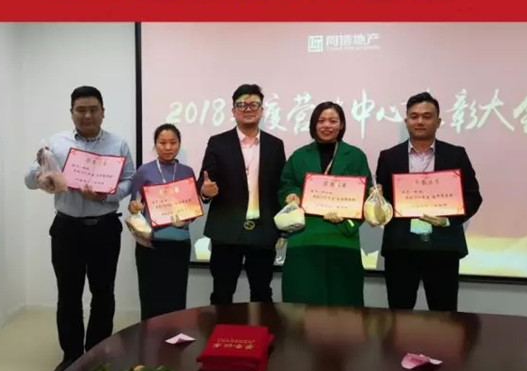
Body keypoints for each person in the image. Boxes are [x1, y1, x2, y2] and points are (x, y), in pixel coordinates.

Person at [24, 86, 135, 371]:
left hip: (105, 228)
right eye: (81, 110)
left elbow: (129, 180)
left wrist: (107, 195)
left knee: (103, 293)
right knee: (68, 294)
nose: (87, 115)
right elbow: (29, 181)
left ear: (103, 112)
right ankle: (72, 356)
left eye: (93, 109)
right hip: (67, 229)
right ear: (72, 113)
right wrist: (39, 168)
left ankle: (97, 356)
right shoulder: (55, 143)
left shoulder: (119, 144)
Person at [374, 91, 483, 312]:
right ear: (406, 121)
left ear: (438, 121)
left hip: (443, 247)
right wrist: (377, 201)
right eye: (414, 116)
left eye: (427, 116)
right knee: (399, 315)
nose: (420, 121)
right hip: (401, 247)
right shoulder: (389, 156)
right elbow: (383, 200)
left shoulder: (456, 155)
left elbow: (473, 196)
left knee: (444, 317)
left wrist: (448, 220)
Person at [198, 83, 286, 305]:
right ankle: (221, 330)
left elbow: (280, 186)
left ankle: (263, 330)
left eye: (253, 104)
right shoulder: (218, 142)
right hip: (226, 230)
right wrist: (205, 191)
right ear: (233, 110)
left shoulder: (275, 145)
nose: (248, 109)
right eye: (241, 105)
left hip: (263, 229)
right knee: (222, 293)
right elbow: (205, 179)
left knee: (262, 293)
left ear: (262, 110)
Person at [279, 101, 372, 307]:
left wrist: (348, 222)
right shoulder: (299, 155)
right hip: (304, 237)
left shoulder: (356, 156)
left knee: (344, 306)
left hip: (342, 238)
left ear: (341, 125)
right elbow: (286, 185)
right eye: (321, 121)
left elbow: (366, 195)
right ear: (313, 124)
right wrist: (292, 195)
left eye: (333, 121)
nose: (327, 125)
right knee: (301, 307)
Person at [127, 123, 197, 321]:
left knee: (176, 297)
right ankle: (149, 336)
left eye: (173, 142)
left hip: (179, 243)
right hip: (150, 244)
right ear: (155, 144)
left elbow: (193, 208)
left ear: (179, 144)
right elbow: (133, 204)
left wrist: (187, 218)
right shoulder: (144, 171)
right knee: (150, 297)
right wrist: (135, 207)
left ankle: (174, 337)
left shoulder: (187, 172)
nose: (168, 147)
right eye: (162, 142)